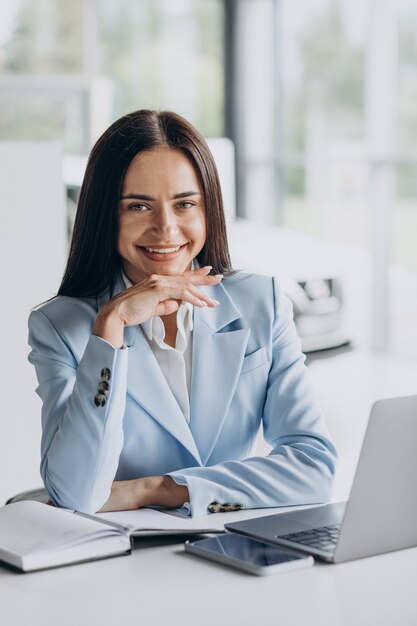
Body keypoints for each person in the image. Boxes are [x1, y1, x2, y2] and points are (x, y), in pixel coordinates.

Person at [28, 109, 337, 516]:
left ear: (208, 209)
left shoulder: (262, 302)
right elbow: (77, 494)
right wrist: (110, 328)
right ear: (106, 214)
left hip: (232, 544)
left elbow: (314, 469)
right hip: (121, 561)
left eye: (184, 204)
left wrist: (160, 489)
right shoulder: (60, 326)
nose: (166, 229)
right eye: (138, 206)